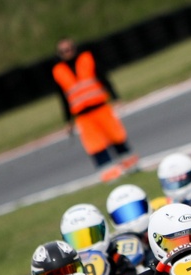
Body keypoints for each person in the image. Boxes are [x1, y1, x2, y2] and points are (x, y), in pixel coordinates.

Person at [52, 37, 138, 182]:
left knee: (116, 136)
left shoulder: (86, 59)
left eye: (69, 49)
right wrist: (68, 120)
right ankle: (110, 175)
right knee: (95, 145)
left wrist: (115, 97)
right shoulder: (58, 71)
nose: (68, 52)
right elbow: (63, 98)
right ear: (59, 54)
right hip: (83, 116)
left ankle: (131, 166)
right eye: (64, 51)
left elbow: (104, 78)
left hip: (101, 107)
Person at [60, 203, 139, 275]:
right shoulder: (68, 271)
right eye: (76, 240)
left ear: (103, 231)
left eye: (91, 236)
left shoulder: (116, 259)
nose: (86, 247)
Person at [106, 184, 156, 269]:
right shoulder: (116, 247)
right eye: (123, 214)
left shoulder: (159, 227)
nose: (132, 220)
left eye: (135, 209)